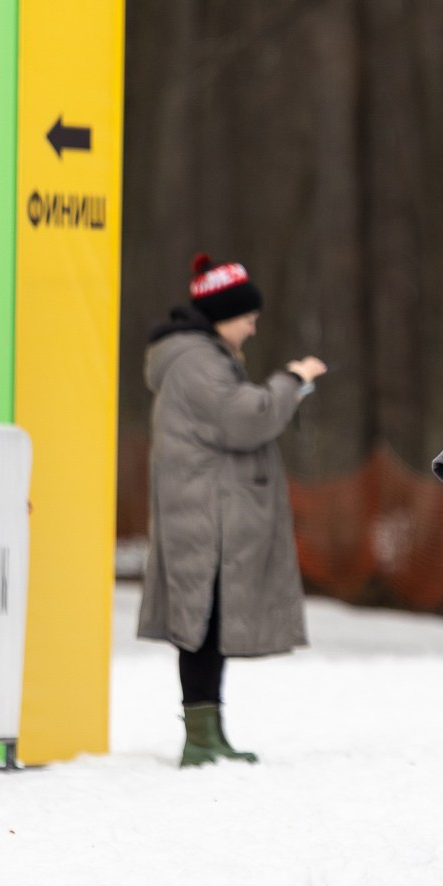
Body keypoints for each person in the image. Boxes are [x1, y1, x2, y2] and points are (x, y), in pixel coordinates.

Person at [138, 253, 329, 766]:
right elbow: (248, 419)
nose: (253, 325)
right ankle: (200, 737)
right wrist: (292, 378)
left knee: (208, 623)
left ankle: (209, 733)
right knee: (200, 624)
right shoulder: (199, 362)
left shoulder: (200, 357)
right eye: (247, 316)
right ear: (222, 314)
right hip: (204, 516)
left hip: (205, 512)